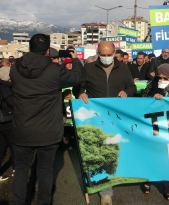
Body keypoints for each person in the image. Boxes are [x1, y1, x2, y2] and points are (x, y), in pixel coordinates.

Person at [10, 34, 82, 204]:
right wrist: (76, 60)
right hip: (48, 130)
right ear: (48, 51)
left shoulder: (15, 68)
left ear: (29, 48)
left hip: (22, 128)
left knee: (20, 170)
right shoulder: (54, 70)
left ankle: (17, 201)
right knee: (45, 170)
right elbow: (76, 77)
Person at [78, 41, 136, 205]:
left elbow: (132, 87)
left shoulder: (123, 68)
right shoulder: (89, 68)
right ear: (98, 53)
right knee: (101, 151)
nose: (105, 58)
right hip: (96, 117)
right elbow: (80, 87)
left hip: (117, 117)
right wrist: (81, 93)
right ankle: (106, 191)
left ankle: (117, 177)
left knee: (117, 149)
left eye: (108, 55)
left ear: (114, 53)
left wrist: (127, 92)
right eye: (102, 55)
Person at [142, 64, 169, 201]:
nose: (161, 79)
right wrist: (151, 97)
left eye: (164, 77)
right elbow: (143, 98)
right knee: (154, 155)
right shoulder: (151, 84)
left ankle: (168, 188)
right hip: (155, 125)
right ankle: (149, 180)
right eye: (159, 77)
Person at [0, 77, 14, 181]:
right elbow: (12, 103)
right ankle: (16, 168)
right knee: (13, 145)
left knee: (1, 146)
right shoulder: (4, 88)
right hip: (7, 120)